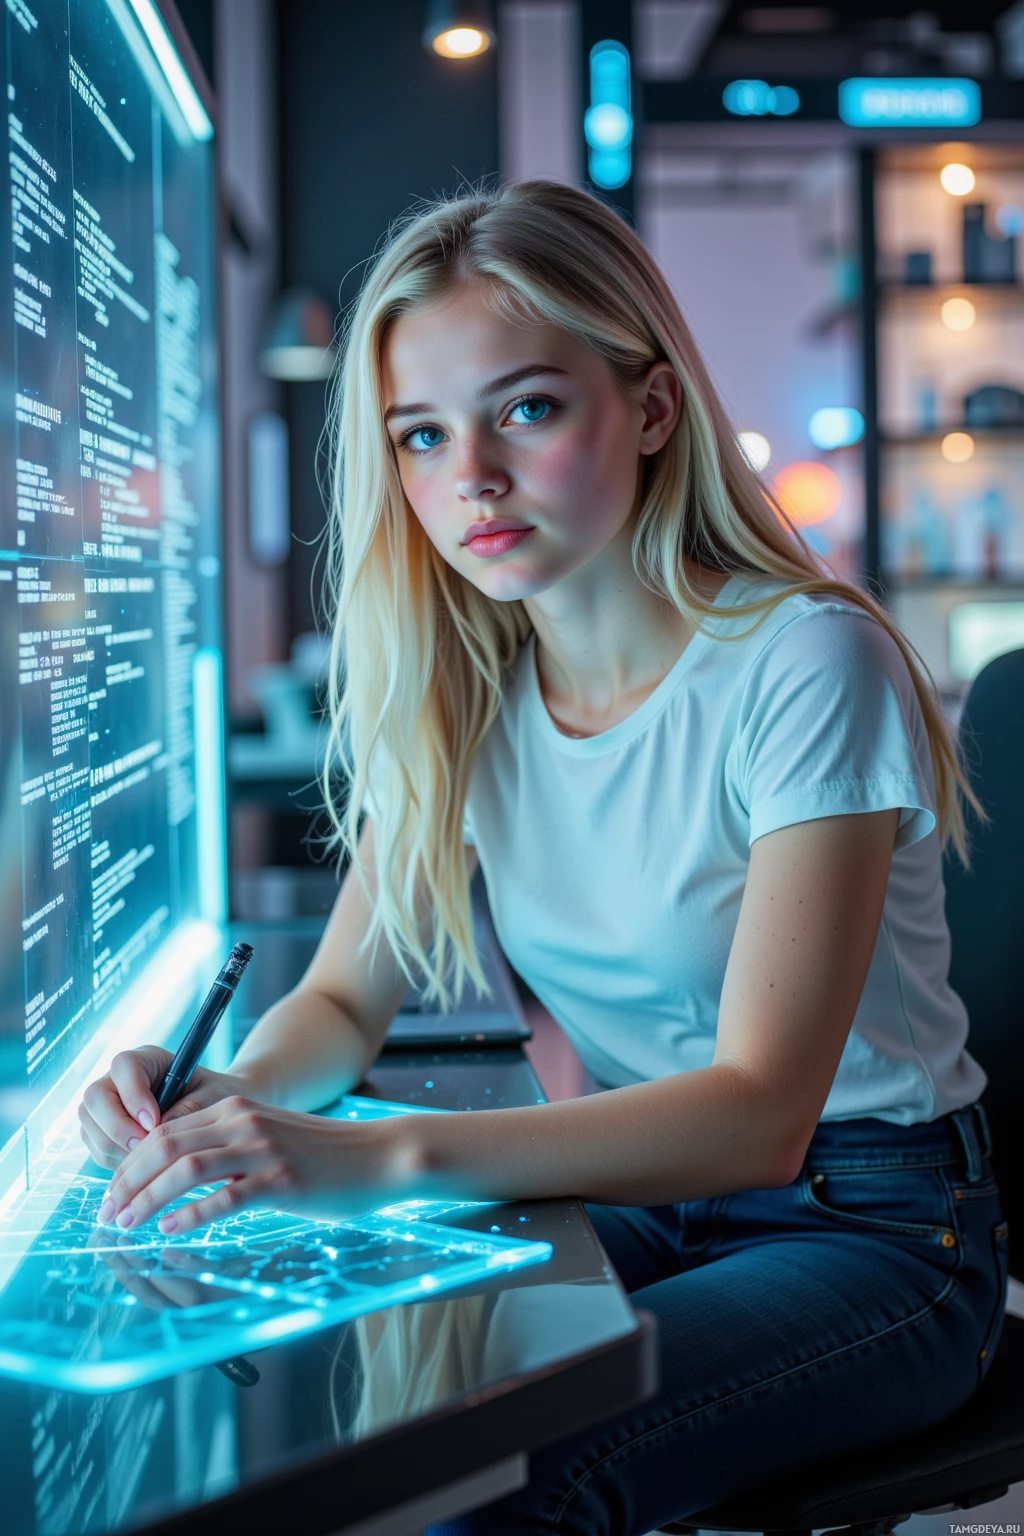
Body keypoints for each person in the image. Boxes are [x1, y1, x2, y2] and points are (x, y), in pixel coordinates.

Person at [79, 181, 1008, 1535]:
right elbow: (343, 1001)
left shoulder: (807, 659)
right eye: (422, 436)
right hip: (632, 1198)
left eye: (526, 409)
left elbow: (759, 1113)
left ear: (647, 408)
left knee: (491, 1476)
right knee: (359, 1401)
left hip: (866, 1227)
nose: (473, 481)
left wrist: (374, 1154)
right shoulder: (465, 688)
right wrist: (223, 1109)